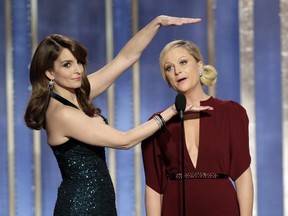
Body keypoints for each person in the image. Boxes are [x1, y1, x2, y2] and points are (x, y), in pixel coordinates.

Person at [24, 16, 210, 216]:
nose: (78, 70)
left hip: (100, 200)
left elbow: (125, 59)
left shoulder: (78, 93)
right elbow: (124, 140)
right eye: (67, 65)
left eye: (79, 62)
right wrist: (172, 111)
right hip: (80, 207)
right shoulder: (62, 113)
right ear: (50, 73)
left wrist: (157, 23)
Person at [141, 40, 254, 216]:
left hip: (222, 208)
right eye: (169, 68)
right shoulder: (157, 124)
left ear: (199, 65)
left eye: (183, 62)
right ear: (168, 81)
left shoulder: (232, 112)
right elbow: (154, 187)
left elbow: (243, 175)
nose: (177, 71)